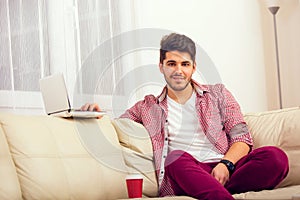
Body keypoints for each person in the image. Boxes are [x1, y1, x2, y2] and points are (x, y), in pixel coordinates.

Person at [81, 33, 289, 199]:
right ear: (161, 67)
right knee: (175, 158)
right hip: (185, 174)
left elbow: (242, 138)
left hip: (226, 169)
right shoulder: (147, 105)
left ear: (193, 68)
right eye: (171, 64)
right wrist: (97, 115)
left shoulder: (218, 94)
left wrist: (225, 165)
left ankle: (214, 194)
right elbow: (117, 126)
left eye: (185, 64)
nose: (178, 70)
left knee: (276, 157)